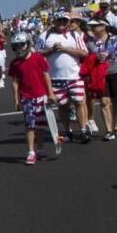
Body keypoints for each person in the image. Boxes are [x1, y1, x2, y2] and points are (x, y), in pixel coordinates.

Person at [42, 14, 90, 143]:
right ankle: (68, 131)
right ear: (54, 21)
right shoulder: (45, 36)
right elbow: (37, 53)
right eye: (59, 20)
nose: (62, 23)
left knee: (79, 102)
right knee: (63, 106)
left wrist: (65, 49)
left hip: (74, 75)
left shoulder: (75, 36)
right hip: (55, 78)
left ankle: (84, 130)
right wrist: (52, 50)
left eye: (65, 20)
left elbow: (84, 53)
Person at [7, 32, 51, 163]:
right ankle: (31, 151)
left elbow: (46, 76)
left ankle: (40, 149)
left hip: (41, 96)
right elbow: (15, 82)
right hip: (26, 97)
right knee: (30, 125)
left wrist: (51, 93)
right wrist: (16, 99)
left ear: (28, 43)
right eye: (16, 46)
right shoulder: (15, 63)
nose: (19, 48)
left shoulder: (38, 58)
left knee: (40, 126)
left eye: (21, 45)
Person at [86, 20, 117, 140]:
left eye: (95, 26)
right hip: (100, 75)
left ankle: (116, 128)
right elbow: (88, 58)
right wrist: (96, 57)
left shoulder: (115, 39)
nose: (93, 28)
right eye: (92, 26)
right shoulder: (90, 42)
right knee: (104, 102)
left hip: (116, 72)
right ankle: (109, 130)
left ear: (104, 27)